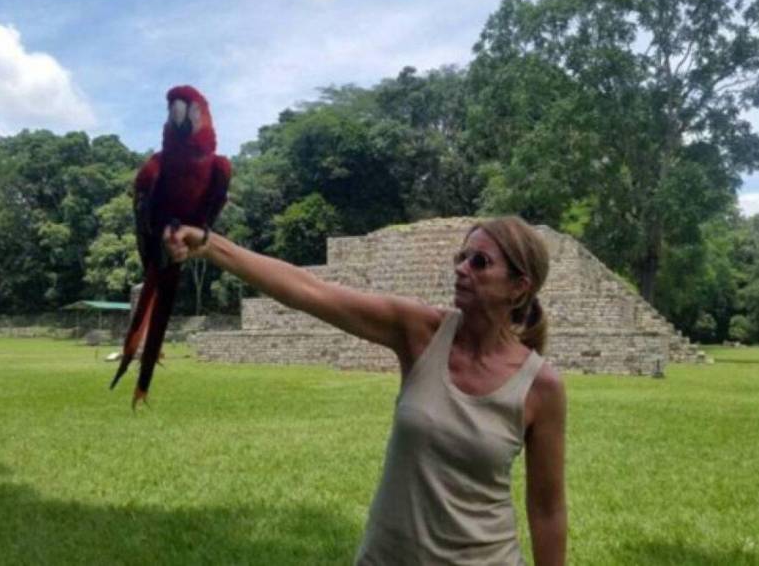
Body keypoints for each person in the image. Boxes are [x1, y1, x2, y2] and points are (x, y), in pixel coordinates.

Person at [164, 216, 567, 565]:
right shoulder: (421, 332)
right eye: (460, 257)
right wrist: (209, 244)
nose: (462, 268)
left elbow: (547, 510)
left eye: (479, 262)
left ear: (519, 287)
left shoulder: (541, 387)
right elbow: (309, 291)